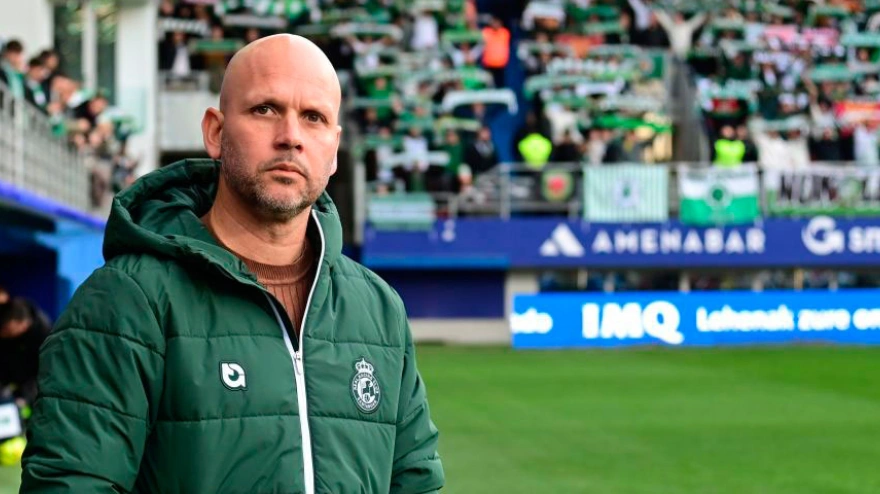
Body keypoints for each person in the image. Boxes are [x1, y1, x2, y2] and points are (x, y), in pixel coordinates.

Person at [21, 34, 444, 493]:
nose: (291, 137)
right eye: (265, 109)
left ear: (334, 149)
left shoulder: (378, 309)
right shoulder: (126, 301)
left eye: (314, 117)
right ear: (215, 133)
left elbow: (415, 482)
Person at [0, 298, 51, 406]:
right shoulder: (7, 319)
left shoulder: (43, 335)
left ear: (23, 325)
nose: (3, 333)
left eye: (8, 330)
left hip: (29, 388)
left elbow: (43, 372)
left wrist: (26, 396)